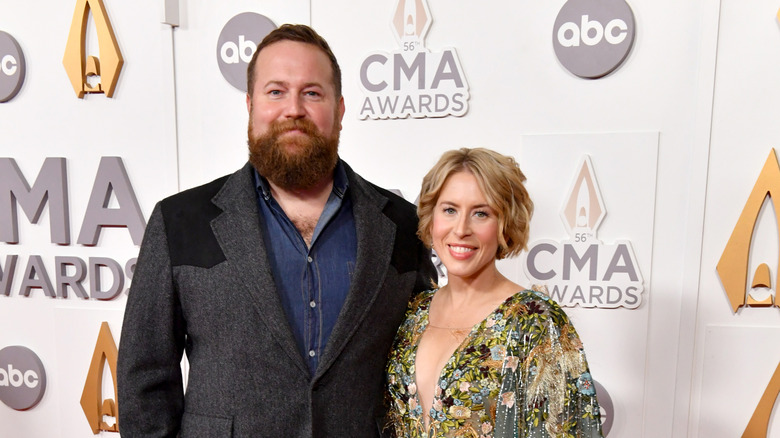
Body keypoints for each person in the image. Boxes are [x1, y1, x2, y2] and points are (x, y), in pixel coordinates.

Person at [117, 24, 436, 437]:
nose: (293, 109)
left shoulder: (401, 225)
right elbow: (144, 380)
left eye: (312, 93)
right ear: (250, 105)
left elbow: (423, 360)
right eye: (276, 91)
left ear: (339, 109)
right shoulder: (179, 221)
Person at [385, 148, 603, 437]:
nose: (461, 229)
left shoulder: (533, 321)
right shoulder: (412, 312)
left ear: (505, 222)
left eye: (481, 213)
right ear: (430, 216)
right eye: (449, 210)